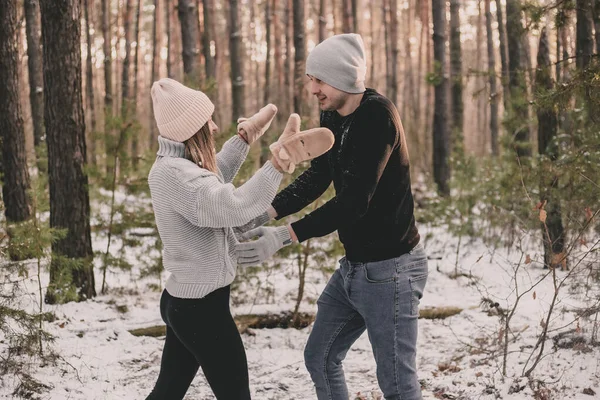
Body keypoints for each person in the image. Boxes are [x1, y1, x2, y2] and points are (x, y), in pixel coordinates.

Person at [236, 34, 428, 400]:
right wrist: (265, 213)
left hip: (392, 272)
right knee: (320, 358)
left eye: (319, 80)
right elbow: (318, 176)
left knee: (398, 386)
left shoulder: (377, 116)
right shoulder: (332, 115)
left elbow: (354, 202)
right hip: (354, 269)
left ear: (343, 78)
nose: (312, 89)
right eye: (311, 79)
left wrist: (284, 236)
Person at [145, 78, 333, 400]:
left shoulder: (173, 167)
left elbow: (210, 182)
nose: (216, 126)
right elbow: (233, 206)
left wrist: (243, 140)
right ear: (193, 130)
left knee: (168, 392)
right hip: (201, 310)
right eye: (208, 122)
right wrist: (277, 163)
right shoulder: (178, 176)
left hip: (186, 303)